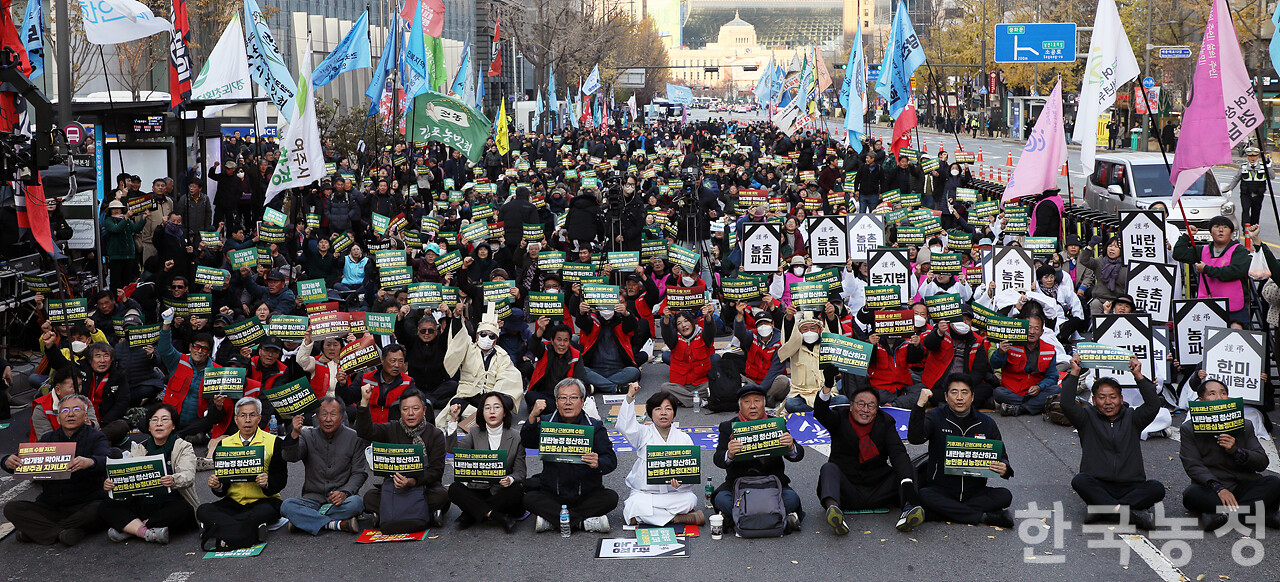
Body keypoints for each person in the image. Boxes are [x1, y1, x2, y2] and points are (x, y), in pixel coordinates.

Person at [1062, 355, 1164, 529]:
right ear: (1094, 400)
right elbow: (1066, 404)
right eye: (1102, 397)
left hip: (1132, 486)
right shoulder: (1086, 417)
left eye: (1113, 397)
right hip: (1099, 484)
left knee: (1157, 489)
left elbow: (1153, 405)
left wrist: (1138, 375)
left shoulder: (1133, 417)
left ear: (1121, 399)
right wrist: (1074, 373)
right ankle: (1129, 513)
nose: (1108, 402)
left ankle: (1103, 510)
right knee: (1080, 481)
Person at [815, 384, 924, 535]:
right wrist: (827, 386)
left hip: (878, 488)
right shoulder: (839, 416)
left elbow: (898, 453)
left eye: (871, 405)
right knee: (829, 468)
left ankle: (908, 509)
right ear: (851, 406)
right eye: (861, 404)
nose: (865, 409)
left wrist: (907, 485)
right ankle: (834, 510)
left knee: (908, 469)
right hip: (847, 490)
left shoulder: (885, 422)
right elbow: (820, 412)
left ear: (877, 408)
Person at [908, 376, 1016, 527]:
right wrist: (919, 405)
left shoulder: (986, 423)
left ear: (972, 397)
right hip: (941, 489)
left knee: (1005, 496)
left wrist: (1004, 468)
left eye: (964, 392)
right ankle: (984, 517)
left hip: (974, 492)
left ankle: (937, 513)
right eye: (954, 392)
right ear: (946, 396)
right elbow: (915, 438)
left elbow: (1002, 457)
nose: (959, 398)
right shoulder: (935, 416)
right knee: (925, 495)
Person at [3, 394, 109, 546]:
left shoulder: (96, 437)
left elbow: (106, 459)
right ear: (58, 418)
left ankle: (38, 532)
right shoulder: (48, 438)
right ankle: (62, 532)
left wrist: (90, 462)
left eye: (76, 409)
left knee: (101, 508)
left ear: (85, 416)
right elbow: (24, 462)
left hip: (83, 504)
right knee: (12, 509)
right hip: (51, 506)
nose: (70, 414)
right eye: (65, 411)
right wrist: (7, 462)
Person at [1179, 379, 1280, 531]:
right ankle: (1258, 515)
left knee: (1274, 483)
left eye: (1223, 393)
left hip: (1244, 485)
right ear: (1201, 400)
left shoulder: (1245, 425)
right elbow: (1192, 465)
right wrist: (1219, 488)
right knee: (1191, 494)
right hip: (1213, 488)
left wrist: (1237, 451)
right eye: (1212, 394)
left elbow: (1262, 462)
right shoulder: (1189, 429)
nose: (1219, 397)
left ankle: (1223, 517)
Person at [522, 378, 618, 533]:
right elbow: (528, 441)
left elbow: (611, 460)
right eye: (562, 398)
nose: (568, 402)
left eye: (573, 397)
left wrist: (598, 462)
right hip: (554, 493)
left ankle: (555, 521)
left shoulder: (594, 426)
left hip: (585, 493)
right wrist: (533, 416)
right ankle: (582, 522)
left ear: (582, 401)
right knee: (529, 498)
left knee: (611, 498)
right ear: (556, 401)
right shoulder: (547, 423)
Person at [197, 397, 288, 550]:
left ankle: (221, 528)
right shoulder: (224, 444)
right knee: (203, 510)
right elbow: (221, 489)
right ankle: (247, 530)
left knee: (261, 513)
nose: (247, 420)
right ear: (236, 419)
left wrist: (267, 482)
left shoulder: (274, 442)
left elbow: (281, 479)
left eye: (252, 415)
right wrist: (218, 486)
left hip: (264, 501)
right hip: (234, 502)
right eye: (243, 415)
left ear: (259, 418)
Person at [99, 403, 198, 544]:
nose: (159, 424)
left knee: (183, 510)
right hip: (142, 502)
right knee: (106, 506)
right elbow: (126, 475)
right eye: (154, 420)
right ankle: (147, 532)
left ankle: (132, 528)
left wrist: (173, 480)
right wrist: (113, 483)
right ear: (149, 426)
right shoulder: (141, 448)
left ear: (173, 425)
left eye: (164, 420)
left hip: (171, 501)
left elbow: (188, 476)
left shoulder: (183, 446)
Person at [711, 385, 805, 531]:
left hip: (772, 484)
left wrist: (791, 447)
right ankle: (778, 515)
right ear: (740, 405)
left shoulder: (776, 424)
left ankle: (739, 517)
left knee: (792, 499)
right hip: (739, 486)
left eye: (757, 401)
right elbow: (718, 459)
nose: (753, 406)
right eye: (747, 402)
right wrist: (729, 454)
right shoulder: (728, 427)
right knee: (721, 500)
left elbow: (797, 455)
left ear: (764, 403)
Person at [355, 387, 449, 531]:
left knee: (442, 496)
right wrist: (364, 402)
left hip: (423, 488)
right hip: (394, 489)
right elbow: (365, 431)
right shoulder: (391, 428)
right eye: (405, 409)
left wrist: (413, 481)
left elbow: (436, 471)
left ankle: (388, 513)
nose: (410, 413)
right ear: (400, 411)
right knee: (369, 498)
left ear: (424, 411)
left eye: (415, 408)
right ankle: (426, 514)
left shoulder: (435, 434)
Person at [615, 383, 703, 526]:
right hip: (646, 494)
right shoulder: (643, 433)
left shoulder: (684, 438)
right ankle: (677, 518)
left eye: (668, 409)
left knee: (690, 500)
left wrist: (681, 483)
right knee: (634, 504)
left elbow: (690, 472)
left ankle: (646, 518)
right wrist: (630, 396)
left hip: (673, 494)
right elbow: (626, 426)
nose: (663, 413)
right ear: (650, 413)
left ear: (673, 413)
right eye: (658, 409)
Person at [280, 397, 368, 535]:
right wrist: (294, 433)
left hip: (340, 500)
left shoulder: (354, 437)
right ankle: (336, 524)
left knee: (356, 503)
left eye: (333, 414)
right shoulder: (306, 435)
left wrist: (345, 493)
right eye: (324, 414)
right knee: (287, 506)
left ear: (342, 417)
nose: (328, 419)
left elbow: (359, 473)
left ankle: (304, 521)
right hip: (312, 499)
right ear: (317, 417)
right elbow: (290, 457)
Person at [444, 392, 526, 533]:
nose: (492, 411)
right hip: (478, 489)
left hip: (501, 492)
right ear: (482, 413)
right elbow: (453, 449)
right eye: (487, 408)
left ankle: (472, 513)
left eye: (496, 407)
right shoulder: (475, 432)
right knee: (454, 489)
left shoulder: (516, 437)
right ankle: (496, 516)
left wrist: (510, 479)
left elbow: (521, 471)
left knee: (517, 490)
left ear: (505, 412)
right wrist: (453, 419)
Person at [438, 308, 523, 427]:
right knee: (456, 402)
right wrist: (457, 318)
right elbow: (458, 338)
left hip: (491, 397)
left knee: (507, 402)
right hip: (471, 395)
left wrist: (494, 399)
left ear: (495, 341)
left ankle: (479, 416)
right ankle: (488, 417)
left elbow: (508, 379)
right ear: (477, 336)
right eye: (483, 334)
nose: (486, 338)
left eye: (491, 336)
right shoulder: (469, 348)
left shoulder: (502, 355)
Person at [1173, 217, 1251, 323]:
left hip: (1234, 308)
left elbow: (1235, 271)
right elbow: (1179, 254)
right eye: (1216, 227)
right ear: (1210, 232)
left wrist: (1207, 269)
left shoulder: (1239, 250)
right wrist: (1187, 235)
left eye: (1225, 227)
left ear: (1232, 232)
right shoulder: (1202, 250)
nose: (1221, 230)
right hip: (1207, 306)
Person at [989, 314, 1060, 416]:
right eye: (1029, 327)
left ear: (1041, 332)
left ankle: (1020, 409)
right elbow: (995, 364)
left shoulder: (1049, 349)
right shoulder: (1010, 344)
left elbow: (1052, 377)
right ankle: (1035, 406)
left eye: (1036, 328)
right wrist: (1000, 352)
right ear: (1022, 329)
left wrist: (1039, 387)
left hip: (1036, 392)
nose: (1032, 332)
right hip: (1013, 391)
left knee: (1057, 390)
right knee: (998, 392)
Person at [576, 293, 642, 395]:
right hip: (595, 369)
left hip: (618, 370)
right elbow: (582, 322)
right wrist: (582, 313)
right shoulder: (593, 320)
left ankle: (597, 386)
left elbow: (633, 324)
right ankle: (615, 388)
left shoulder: (621, 321)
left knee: (634, 372)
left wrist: (626, 313)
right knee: (581, 370)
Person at [660, 305, 718, 408]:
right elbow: (666, 333)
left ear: (692, 322)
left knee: (718, 383)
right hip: (681, 385)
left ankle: (685, 399)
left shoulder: (702, 334)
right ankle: (699, 401)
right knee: (665, 388)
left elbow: (710, 330)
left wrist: (708, 316)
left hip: (701, 383)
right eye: (679, 323)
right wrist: (666, 318)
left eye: (686, 321)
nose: (683, 325)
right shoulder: (674, 338)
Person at [1220, 146, 1272, 228]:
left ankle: (1254, 227)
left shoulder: (1263, 166)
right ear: (1247, 157)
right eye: (1250, 156)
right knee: (1246, 210)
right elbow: (1236, 178)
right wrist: (1230, 189)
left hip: (1258, 194)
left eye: (1254, 156)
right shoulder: (1243, 166)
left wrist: (1269, 167)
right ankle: (1246, 228)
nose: (1252, 158)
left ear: (1257, 156)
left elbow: (1272, 177)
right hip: (1246, 194)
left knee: (1256, 211)